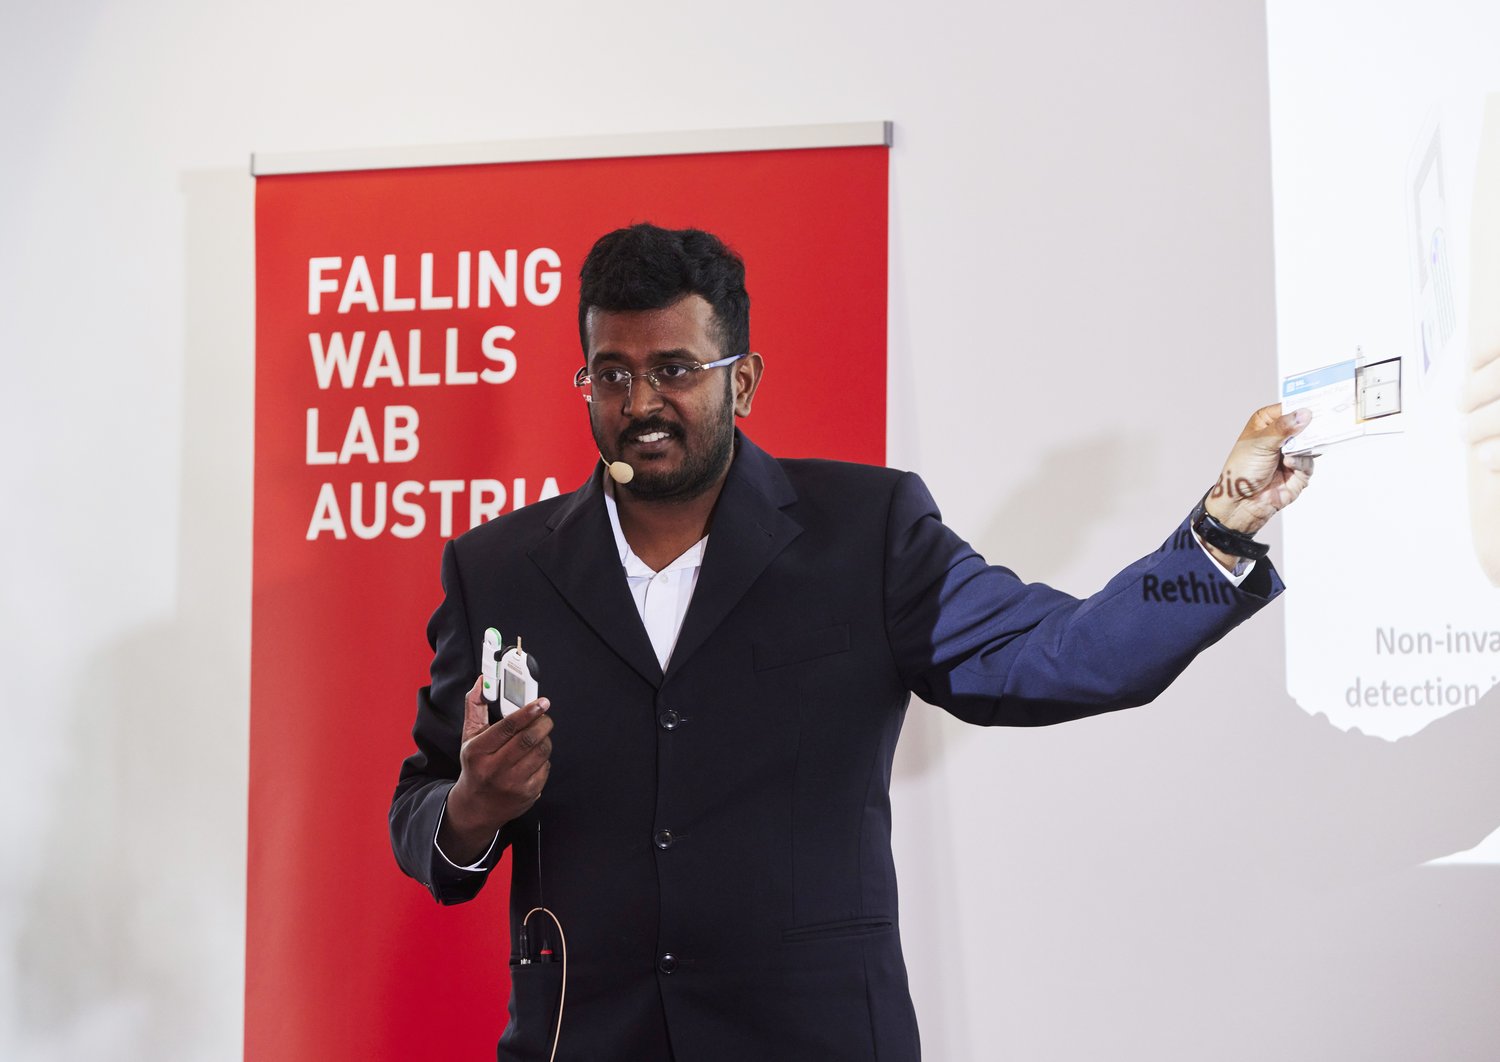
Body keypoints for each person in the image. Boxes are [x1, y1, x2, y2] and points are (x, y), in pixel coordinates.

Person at [389, 223, 1314, 1061]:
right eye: (613, 373)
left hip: (814, 1037)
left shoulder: (867, 531)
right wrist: (474, 807)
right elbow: (422, 806)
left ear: (742, 379)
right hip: (582, 1043)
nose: (641, 402)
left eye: (675, 369)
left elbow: (1063, 655)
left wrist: (1222, 529)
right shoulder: (497, 568)